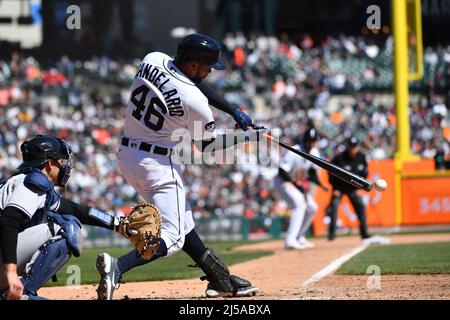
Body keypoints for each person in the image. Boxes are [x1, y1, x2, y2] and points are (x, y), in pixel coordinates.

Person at [96, 33, 262, 300]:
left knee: (184, 224)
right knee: (174, 237)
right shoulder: (194, 102)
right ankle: (118, 267)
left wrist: (232, 109)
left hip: (128, 157)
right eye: (207, 66)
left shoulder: (153, 59)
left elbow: (188, 82)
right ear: (194, 64)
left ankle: (221, 280)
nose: (210, 72)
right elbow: (207, 147)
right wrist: (247, 136)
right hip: (158, 165)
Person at [0, 135, 135, 300]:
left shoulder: (26, 182)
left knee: (69, 219)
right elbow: (9, 221)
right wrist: (11, 272)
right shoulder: (31, 184)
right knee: (67, 227)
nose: (65, 166)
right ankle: (23, 293)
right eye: (62, 161)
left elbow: (75, 209)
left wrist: (117, 224)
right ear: (49, 164)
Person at [274, 127, 326, 249]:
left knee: (312, 207)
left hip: (296, 184)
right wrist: (296, 184)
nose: (312, 143)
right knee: (299, 204)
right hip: (283, 182)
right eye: (310, 140)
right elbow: (282, 170)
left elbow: (312, 172)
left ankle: (299, 236)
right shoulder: (295, 151)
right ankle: (290, 240)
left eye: (314, 140)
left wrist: (320, 184)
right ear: (305, 140)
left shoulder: (314, 152)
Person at [326, 137, 373, 242]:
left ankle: (364, 233)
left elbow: (364, 174)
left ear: (358, 147)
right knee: (333, 206)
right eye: (351, 147)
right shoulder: (339, 158)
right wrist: (335, 188)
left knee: (360, 206)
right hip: (339, 188)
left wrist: (359, 188)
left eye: (355, 147)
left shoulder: (361, 157)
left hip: (353, 188)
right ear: (348, 147)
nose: (353, 149)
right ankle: (331, 233)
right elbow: (330, 173)